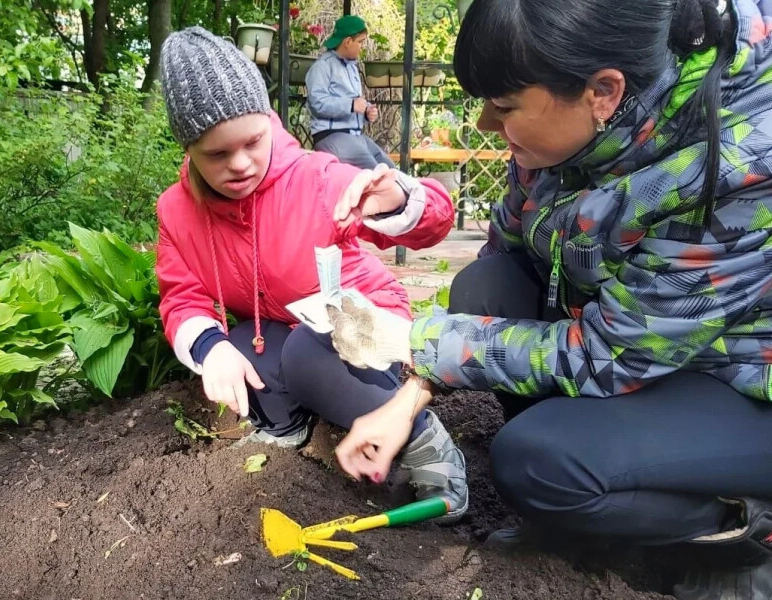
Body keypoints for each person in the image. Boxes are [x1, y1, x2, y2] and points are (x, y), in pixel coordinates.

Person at [325, 0, 772, 597]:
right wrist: (412, 393)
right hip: (645, 346)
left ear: (603, 92)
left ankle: (742, 531)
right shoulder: (563, 127)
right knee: (486, 287)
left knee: (537, 465)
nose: (486, 124)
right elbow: (504, 250)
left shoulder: (735, 165)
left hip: (743, 380)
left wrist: (414, 339)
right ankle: (591, 498)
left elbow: (607, 357)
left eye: (504, 107)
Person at [156, 27, 467, 520]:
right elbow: (182, 297)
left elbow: (433, 222)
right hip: (281, 330)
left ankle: (420, 436)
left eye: (253, 142)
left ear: (268, 121)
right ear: (188, 148)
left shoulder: (314, 177)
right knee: (236, 346)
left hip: (362, 329)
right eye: (217, 154)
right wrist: (206, 347)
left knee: (305, 349)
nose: (240, 164)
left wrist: (397, 199)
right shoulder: (177, 212)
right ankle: (291, 426)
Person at [305, 15, 395, 170]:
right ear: (347, 42)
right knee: (376, 173)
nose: (362, 47)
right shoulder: (322, 67)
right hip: (330, 136)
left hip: (355, 136)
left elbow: (354, 104)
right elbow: (317, 103)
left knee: (391, 169)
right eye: (360, 42)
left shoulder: (352, 67)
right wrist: (351, 105)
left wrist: (366, 113)